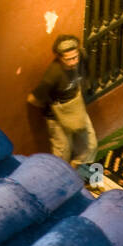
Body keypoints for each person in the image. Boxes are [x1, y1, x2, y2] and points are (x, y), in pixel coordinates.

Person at [27, 34, 97, 168]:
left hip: (76, 107)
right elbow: (32, 99)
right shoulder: (53, 75)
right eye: (68, 59)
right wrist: (53, 108)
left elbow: (86, 72)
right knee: (63, 152)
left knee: (90, 144)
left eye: (75, 57)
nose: (73, 62)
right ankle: (60, 175)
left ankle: (75, 168)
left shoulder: (82, 56)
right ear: (59, 58)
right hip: (56, 117)